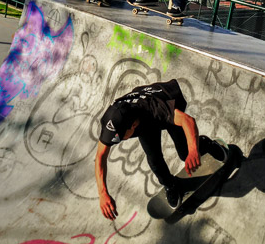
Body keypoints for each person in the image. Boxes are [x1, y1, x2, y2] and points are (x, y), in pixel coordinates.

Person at [95, 79, 227, 219]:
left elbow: (188, 121)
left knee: (185, 152)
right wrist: (102, 193)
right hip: (142, 117)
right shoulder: (111, 120)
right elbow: (100, 156)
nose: (118, 140)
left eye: (121, 136)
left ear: (133, 125)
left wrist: (194, 150)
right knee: (154, 159)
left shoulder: (156, 110)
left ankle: (206, 144)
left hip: (166, 100)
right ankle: (171, 185)